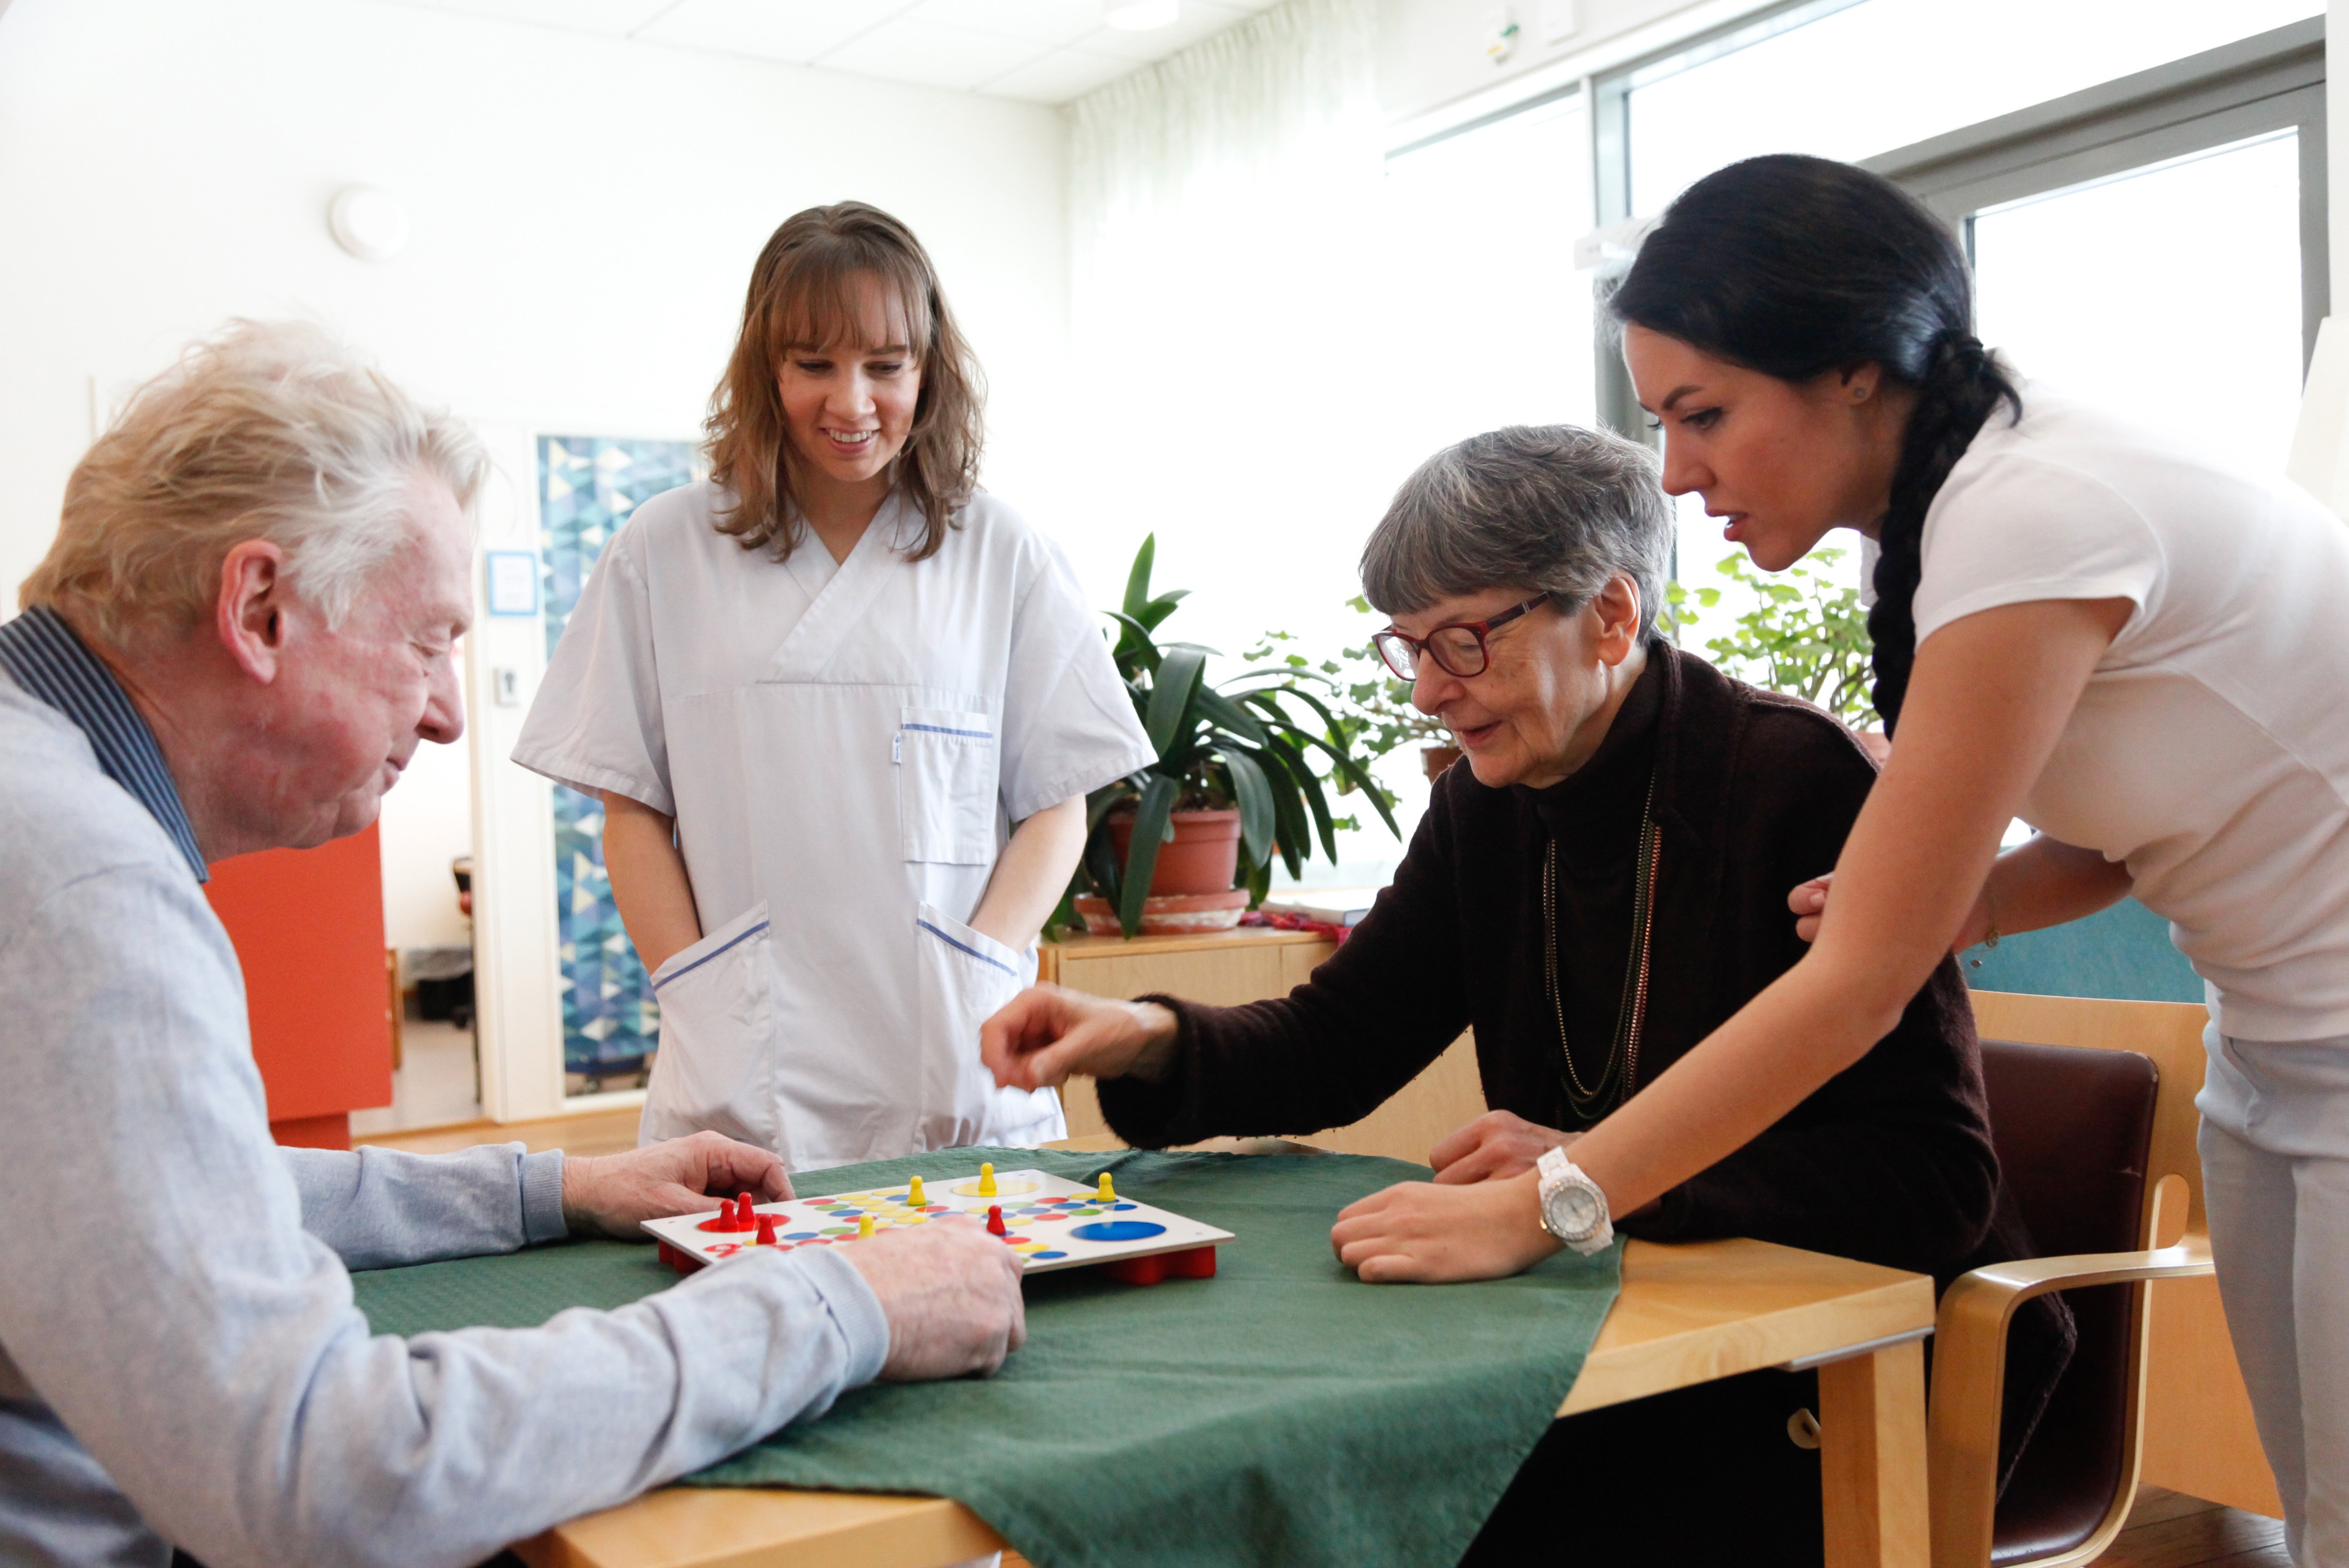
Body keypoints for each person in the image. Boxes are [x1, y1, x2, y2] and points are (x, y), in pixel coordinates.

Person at [0, 321, 1027, 1568]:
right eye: (429, 639)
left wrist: (553, 1186)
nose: (444, 714)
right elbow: (321, 1475)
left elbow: (173, 1186)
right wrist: (837, 1305)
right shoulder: (80, 881)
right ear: (260, 607)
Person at [979, 424, 2069, 1564]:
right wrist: (1144, 1039)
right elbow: (1338, 1043)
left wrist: (1587, 1176)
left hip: (1841, 1372)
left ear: (1609, 615)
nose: (1426, 695)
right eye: (1409, 647)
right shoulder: (1488, 803)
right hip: (1621, 1334)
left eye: (1461, 641)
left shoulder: (1798, 783)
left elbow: (1932, 1186)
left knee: (1394, 1503)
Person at [1588, 152, 2349, 1566]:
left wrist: (1562, 1193)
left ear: (1854, 373)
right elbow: (2134, 827)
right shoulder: (1934, 531)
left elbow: (1858, 988)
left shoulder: (2026, 507)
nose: (1676, 472)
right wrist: (1973, 899)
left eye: (1703, 416)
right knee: (2320, 1520)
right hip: (2271, 1045)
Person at [515, 201, 1152, 1172]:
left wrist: (975, 974)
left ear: (927, 369)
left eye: (884, 366)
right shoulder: (667, 547)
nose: (851, 403)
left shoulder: (1002, 551)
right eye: (814, 364)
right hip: (745, 1056)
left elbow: (1057, 803)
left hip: (953, 1048)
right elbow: (630, 804)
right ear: (766, 369)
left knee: (993, 1303)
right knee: (749, 1310)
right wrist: (698, 992)